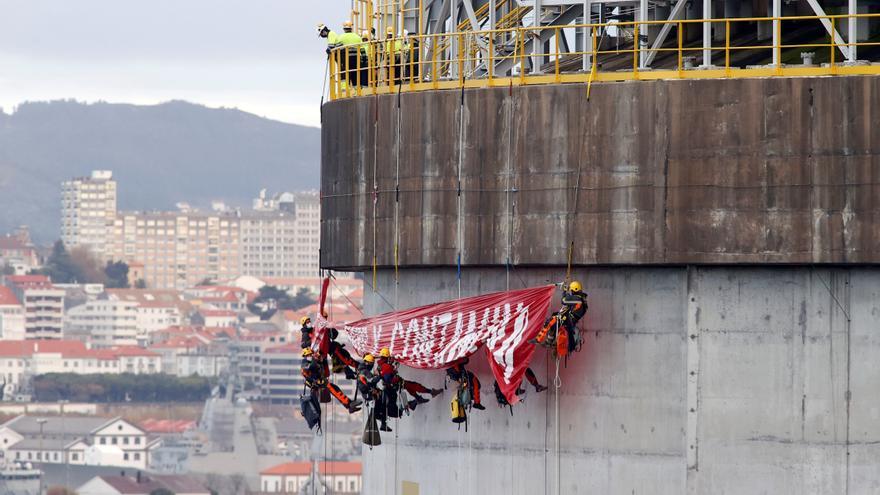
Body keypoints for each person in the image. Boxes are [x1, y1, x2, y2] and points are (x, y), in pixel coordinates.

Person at [531, 280, 588, 353]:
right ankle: (549, 341)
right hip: (570, 320)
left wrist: (564, 292)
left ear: (574, 290)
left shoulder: (577, 299)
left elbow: (564, 300)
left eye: (571, 290)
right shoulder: (581, 299)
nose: (570, 291)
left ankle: (539, 340)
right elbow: (569, 301)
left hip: (568, 319)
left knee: (550, 321)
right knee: (553, 320)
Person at [376, 348, 442, 410]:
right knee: (413, 385)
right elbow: (388, 377)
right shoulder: (386, 366)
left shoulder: (380, 366)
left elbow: (385, 374)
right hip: (394, 384)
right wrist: (395, 377)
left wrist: (392, 368)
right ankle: (431, 392)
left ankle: (419, 398)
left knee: (410, 387)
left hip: (391, 386)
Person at [301, 348, 362, 413]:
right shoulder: (305, 363)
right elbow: (310, 370)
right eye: (308, 355)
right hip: (315, 383)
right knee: (332, 388)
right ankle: (348, 404)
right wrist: (315, 360)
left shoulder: (312, 361)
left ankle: (349, 405)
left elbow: (320, 368)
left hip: (319, 381)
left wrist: (321, 359)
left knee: (335, 388)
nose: (310, 356)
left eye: (311, 354)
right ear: (305, 356)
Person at [357, 354, 393, 432]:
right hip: (368, 393)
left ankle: (381, 419)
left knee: (381, 401)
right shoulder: (364, 371)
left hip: (368, 392)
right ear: (367, 363)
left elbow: (369, 379)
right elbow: (371, 380)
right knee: (383, 400)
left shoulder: (362, 369)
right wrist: (380, 375)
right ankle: (381, 420)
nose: (372, 365)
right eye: (371, 364)